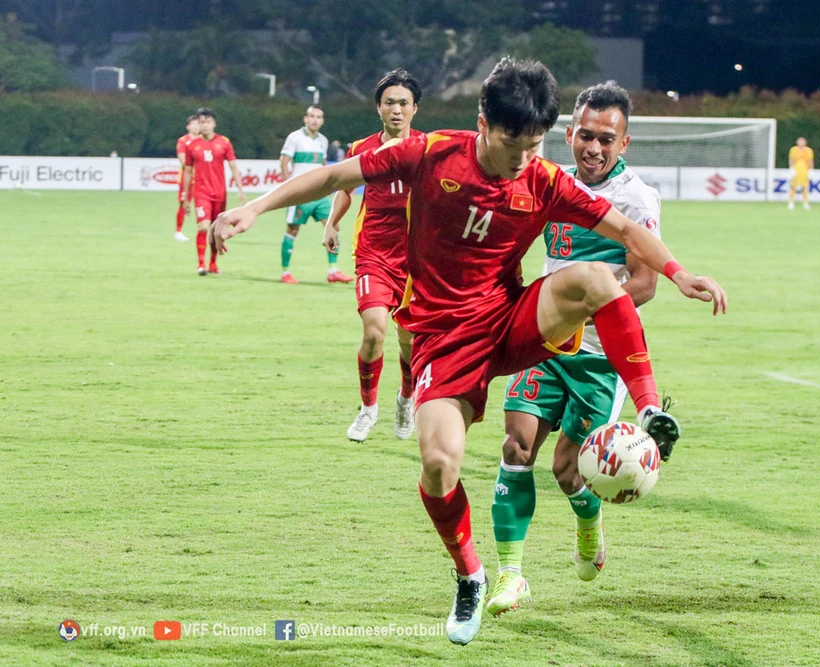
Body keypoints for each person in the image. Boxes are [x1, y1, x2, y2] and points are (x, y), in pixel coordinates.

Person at [212, 58, 727, 646]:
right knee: (438, 465)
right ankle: (471, 575)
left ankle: (649, 408)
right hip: (442, 338)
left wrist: (680, 274)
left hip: (510, 320)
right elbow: (334, 177)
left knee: (595, 279)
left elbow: (630, 233)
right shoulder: (431, 153)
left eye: (534, 145)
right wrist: (252, 207)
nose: (524, 159)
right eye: (513, 144)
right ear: (483, 123)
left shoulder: (543, 180)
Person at [486, 81, 663, 617]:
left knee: (570, 471)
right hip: (542, 345)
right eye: (586, 135)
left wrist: (576, 312)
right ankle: (510, 576)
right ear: (569, 134)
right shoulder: (551, 183)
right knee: (516, 449)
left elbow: (644, 285)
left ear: (624, 143)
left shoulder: (635, 199)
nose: (594, 148)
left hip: (600, 358)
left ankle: (589, 519)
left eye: (607, 139)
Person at [323, 69, 424, 441]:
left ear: (414, 108)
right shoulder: (360, 149)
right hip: (374, 254)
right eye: (389, 103)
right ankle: (368, 409)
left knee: (409, 342)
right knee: (373, 332)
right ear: (378, 107)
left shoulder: (429, 149)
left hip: (417, 260)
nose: (396, 110)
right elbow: (344, 187)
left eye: (403, 103)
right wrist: (332, 223)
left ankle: (406, 399)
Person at [277, 105, 349, 284]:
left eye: (319, 117)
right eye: (312, 116)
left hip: (320, 194)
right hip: (300, 193)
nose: (315, 120)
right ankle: (285, 273)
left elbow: (323, 167)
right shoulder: (295, 137)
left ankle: (333, 271)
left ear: (322, 120)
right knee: (293, 230)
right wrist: (289, 187)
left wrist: (328, 188)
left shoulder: (323, 141)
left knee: (333, 226)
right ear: (306, 119)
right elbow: (284, 162)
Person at [183, 107, 245, 275]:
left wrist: (240, 189)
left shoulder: (224, 142)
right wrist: (186, 196)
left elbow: (233, 166)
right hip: (201, 192)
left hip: (219, 193)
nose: (205, 125)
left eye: (208, 122)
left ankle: (213, 264)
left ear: (214, 123)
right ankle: (201, 264)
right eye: (202, 122)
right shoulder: (192, 145)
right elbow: (188, 171)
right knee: (203, 227)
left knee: (215, 229)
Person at [174, 114, 200, 242]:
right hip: (186, 178)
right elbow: (183, 160)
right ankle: (178, 231)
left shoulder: (203, 140)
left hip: (202, 178)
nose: (196, 127)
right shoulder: (183, 141)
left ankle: (207, 230)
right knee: (184, 203)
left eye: (198, 124)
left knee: (204, 204)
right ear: (188, 127)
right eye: (193, 124)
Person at [788, 137, 814, 210]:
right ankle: (791, 202)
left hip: (805, 170)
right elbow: (791, 159)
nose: (801, 143)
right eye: (800, 141)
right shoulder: (794, 149)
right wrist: (792, 169)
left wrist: (811, 170)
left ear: (805, 142)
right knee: (793, 186)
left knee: (804, 186)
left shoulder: (809, 150)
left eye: (802, 141)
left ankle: (805, 202)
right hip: (796, 169)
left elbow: (810, 160)